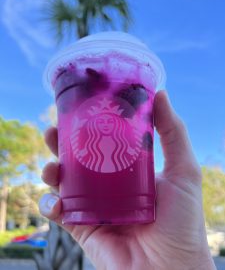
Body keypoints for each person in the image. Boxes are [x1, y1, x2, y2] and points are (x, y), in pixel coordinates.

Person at [39, 91, 216, 270]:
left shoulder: (125, 148)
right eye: (101, 121)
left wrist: (183, 263)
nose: (106, 124)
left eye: (110, 120)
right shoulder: (88, 148)